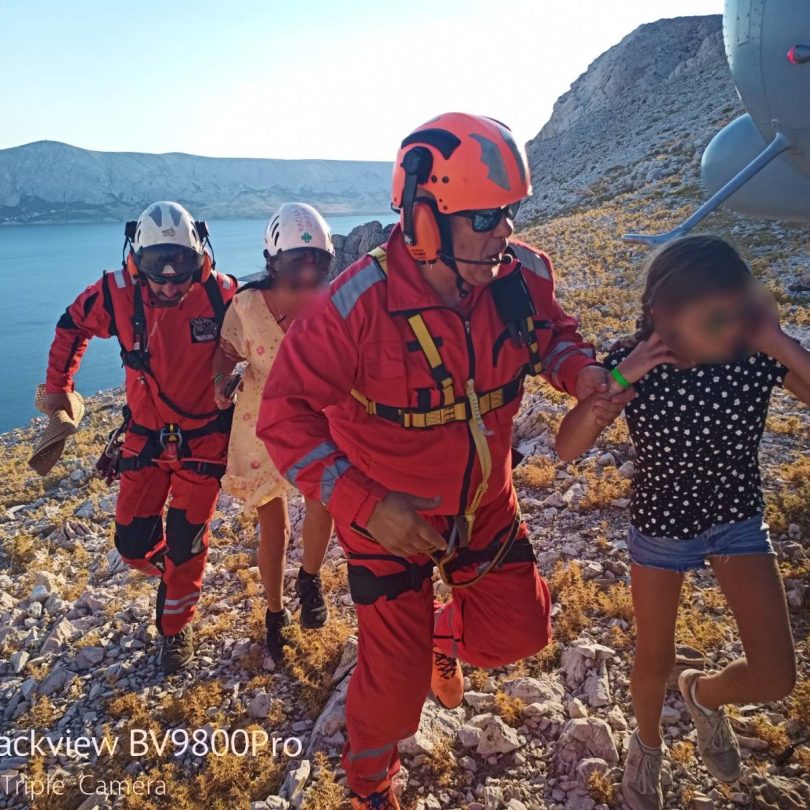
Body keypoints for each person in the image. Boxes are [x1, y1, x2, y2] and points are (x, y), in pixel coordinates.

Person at [257, 113, 633, 808]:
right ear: (425, 220)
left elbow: (552, 336)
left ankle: (436, 636)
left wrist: (578, 370)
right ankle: (371, 786)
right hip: (386, 524)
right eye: (486, 217)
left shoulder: (521, 275)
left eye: (510, 213)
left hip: (485, 503)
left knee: (522, 631)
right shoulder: (354, 307)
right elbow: (282, 416)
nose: (505, 231)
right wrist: (369, 507)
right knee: (394, 693)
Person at [555, 235, 809, 810]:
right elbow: (567, 448)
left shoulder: (752, 353)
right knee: (654, 659)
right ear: (664, 316)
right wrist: (619, 381)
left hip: (736, 517)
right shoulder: (636, 363)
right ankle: (647, 745)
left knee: (776, 677)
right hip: (661, 528)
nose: (731, 330)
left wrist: (775, 338)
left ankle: (703, 694)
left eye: (739, 312)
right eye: (716, 318)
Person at [43, 201, 237, 675]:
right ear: (138, 261)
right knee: (131, 545)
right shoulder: (116, 294)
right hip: (145, 440)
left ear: (198, 259)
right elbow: (72, 325)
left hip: (205, 443)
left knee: (187, 541)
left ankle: (175, 628)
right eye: (158, 274)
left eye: (181, 273)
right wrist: (59, 389)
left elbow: (269, 331)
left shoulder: (222, 294)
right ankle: (178, 571)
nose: (170, 284)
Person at [212, 203, 335, 660]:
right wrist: (220, 383)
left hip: (315, 413)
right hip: (260, 420)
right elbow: (226, 351)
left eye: (315, 273)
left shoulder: (332, 304)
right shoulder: (246, 306)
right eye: (294, 274)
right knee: (274, 526)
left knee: (324, 498)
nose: (305, 285)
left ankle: (310, 579)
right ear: (272, 265)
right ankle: (275, 612)